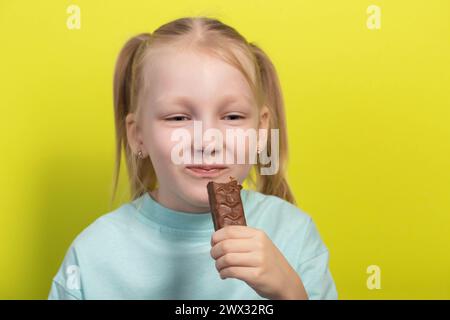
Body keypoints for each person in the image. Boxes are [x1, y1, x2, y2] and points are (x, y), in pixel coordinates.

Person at [48, 16, 338, 300]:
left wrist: (290, 293)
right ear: (138, 135)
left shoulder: (294, 235)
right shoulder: (92, 256)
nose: (207, 140)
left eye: (233, 116)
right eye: (178, 117)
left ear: (261, 130)